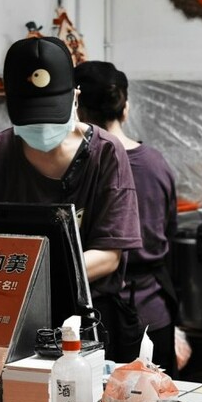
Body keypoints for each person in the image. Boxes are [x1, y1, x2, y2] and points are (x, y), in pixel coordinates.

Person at [0, 37, 142, 362]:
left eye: (50, 115)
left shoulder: (106, 154)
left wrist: (30, 275)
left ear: (75, 98)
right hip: (5, 318)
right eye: (31, 117)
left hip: (85, 322)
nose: (42, 128)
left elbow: (109, 256)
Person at [74, 61, 179, 376]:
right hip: (153, 314)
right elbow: (169, 234)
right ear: (125, 108)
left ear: (78, 108)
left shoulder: (78, 167)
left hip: (97, 319)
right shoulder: (156, 163)